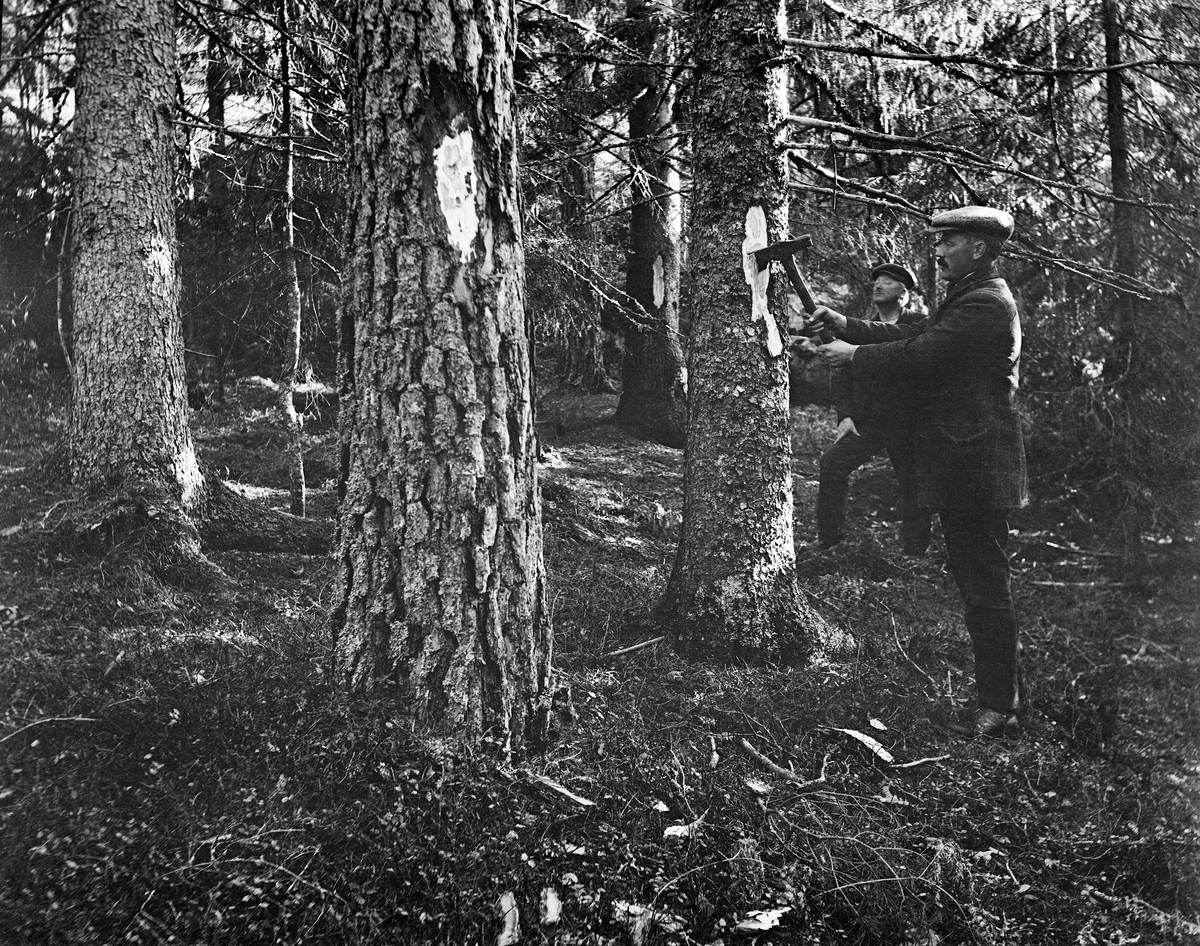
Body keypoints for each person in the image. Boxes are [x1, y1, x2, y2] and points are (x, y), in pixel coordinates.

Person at [815, 207, 1028, 740]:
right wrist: (848, 326)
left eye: (949, 241)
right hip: (967, 466)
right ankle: (999, 700)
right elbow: (920, 333)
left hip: (977, 466)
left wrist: (854, 354)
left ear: (978, 248)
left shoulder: (985, 303)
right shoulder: (969, 297)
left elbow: (922, 352)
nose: (938, 251)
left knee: (985, 588)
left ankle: (1001, 706)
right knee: (977, 585)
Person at [815, 263, 931, 554]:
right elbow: (842, 374)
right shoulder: (860, 328)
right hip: (869, 421)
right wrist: (846, 416)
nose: (878, 285)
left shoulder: (920, 325)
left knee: (913, 484)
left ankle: (915, 552)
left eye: (888, 282)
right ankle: (830, 541)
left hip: (908, 422)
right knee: (832, 464)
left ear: (904, 293)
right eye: (876, 280)